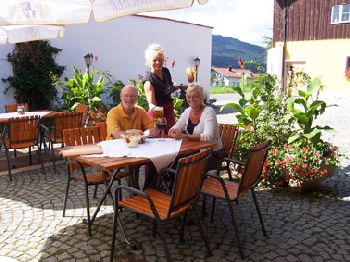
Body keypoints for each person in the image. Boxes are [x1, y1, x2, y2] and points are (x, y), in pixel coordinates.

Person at [169, 83, 223, 151]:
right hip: (194, 150)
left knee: (178, 160)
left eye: (195, 96)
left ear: (201, 98)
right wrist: (173, 132)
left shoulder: (209, 112)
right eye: (189, 97)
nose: (191, 99)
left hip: (212, 152)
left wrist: (185, 136)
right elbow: (174, 128)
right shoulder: (188, 111)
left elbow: (208, 137)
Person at [143, 43, 176, 134]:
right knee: (160, 139)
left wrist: (178, 87)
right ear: (149, 61)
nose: (158, 62)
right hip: (157, 113)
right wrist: (160, 119)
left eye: (160, 60)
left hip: (169, 110)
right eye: (154, 60)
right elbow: (152, 104)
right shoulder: (149, 81)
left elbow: (169, 87)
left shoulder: (166, 71)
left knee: (171, 136)